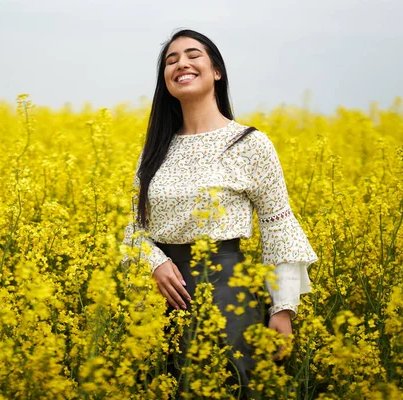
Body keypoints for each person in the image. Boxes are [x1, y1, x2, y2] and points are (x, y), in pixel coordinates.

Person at [121, 28, 318, 398]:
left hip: (230, 295)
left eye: (193, 55)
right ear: (165, 81)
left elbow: (279, 227)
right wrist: (154, 263)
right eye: (171, 60)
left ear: (216, 71)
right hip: (163, 301)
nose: (181, 63)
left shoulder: (249, 143)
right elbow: (134, 230)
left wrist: (283, 309)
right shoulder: (154, 152)